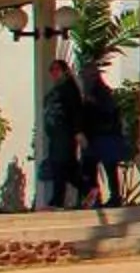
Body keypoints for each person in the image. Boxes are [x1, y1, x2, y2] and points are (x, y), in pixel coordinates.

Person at [35, 58, 86, 209]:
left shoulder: (69, 88)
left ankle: (57, 200)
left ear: (65, 71)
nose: (54, 73)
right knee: (66, 167)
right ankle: (87, 188)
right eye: (52, 70)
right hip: (56, 134)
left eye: (57, 69)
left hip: (65, 133)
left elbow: (76, 110)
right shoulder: (57, 89)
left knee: (60, 165)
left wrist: (78, 131)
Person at [78, 65, 131, 208]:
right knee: (90, 168)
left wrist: (91, 103)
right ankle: (96, 197)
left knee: (108, 168)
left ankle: (114, 197)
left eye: (87, 76)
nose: (84, 79)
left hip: (105, 136)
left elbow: (109, 114)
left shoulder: (103, 94)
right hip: (94, 137)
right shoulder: (89, 94)